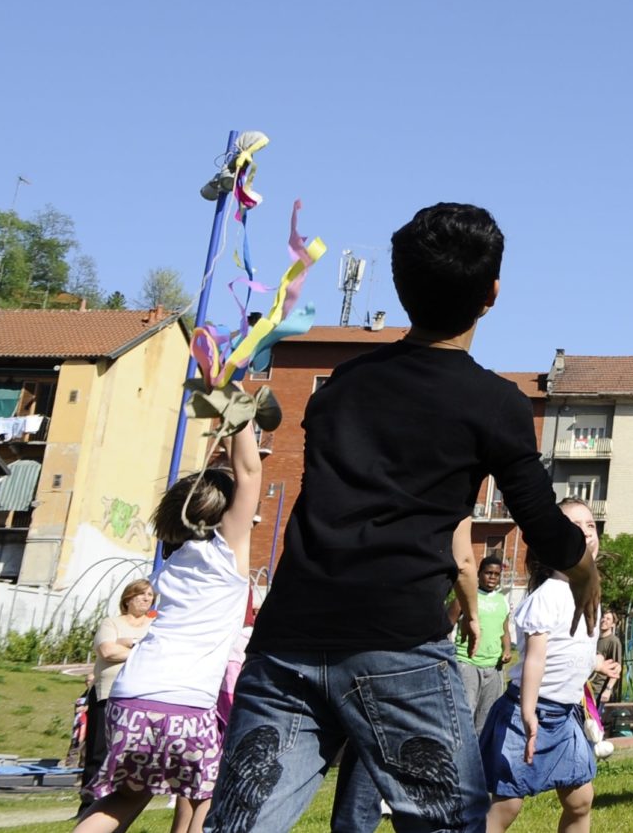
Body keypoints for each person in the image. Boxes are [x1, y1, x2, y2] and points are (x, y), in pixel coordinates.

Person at [207, 203, 593, 833]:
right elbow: (542, 523)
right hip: (398, 645)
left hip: (287, 638)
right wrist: (583, 569)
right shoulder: (494, 402)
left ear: (400, 286)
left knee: (240, 823)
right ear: (491, 295)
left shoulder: (339, 389)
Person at [77, 418, 264, 833]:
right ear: (226, 514)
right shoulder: (226, 557)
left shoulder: (173, 563)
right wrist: (237, 411)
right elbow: (249, 471)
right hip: (186, 701)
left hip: (129, 696)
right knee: (207, 793)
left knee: (125, 797)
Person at [481, 500, 616, 833]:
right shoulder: (547, 596)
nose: (586, 533)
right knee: (507, 804)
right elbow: (535, 660)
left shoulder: (590, 593)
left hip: (565, 715)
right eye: (575, 527)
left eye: (591, 526)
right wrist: (528, 714)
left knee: (581, 800)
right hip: (528, 712)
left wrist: (596, 662)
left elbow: (574, 647)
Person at [79, 578, 156, 808]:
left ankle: (119, 803)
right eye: (141, 594)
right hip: (107, 693)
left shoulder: (154, 627)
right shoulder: (111, 623)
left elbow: (158, 652)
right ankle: (88, 804)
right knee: (98, 751)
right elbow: (106, 651)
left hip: (140, 696)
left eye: (150, 595)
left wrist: (127, 643)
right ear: (128, 598)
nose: (146, 599)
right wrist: (140, 647)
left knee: (133, 752)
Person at [450, 550, 513, 738]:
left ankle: (478, 762)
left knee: (486, 719)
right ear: (479, 574)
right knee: (464, 716)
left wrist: (507, 650)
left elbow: (505, 630)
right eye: (488, 573)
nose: (492, 577)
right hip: (468, 664)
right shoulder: (466, 596)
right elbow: (447, 623)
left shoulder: (503, 601)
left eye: (496, 574)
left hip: (493, 668)